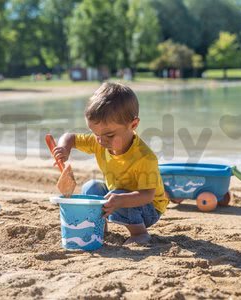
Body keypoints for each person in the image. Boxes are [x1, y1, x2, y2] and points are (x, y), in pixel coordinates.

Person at [53, 82, 169, 245]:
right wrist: (64, 148)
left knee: (119, 194)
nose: (100, 140)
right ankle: (100, 226)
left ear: (133, 125)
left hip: (148, 208)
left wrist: (120, 200)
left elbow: (147, 195)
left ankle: (139, 233)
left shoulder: (144, 158)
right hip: (117, 195)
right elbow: (70, 137)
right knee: (91, 187)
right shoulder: (99, 141)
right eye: (95, 133)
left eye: (109, 135)